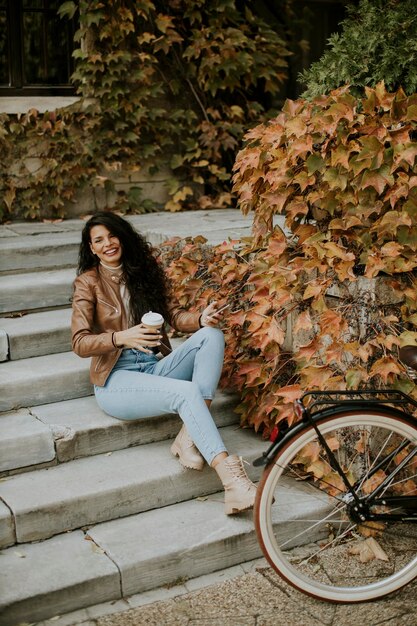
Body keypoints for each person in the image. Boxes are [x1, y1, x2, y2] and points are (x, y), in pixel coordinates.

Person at [71, 211, 257, 515]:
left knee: (211, 335)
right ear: (92, 248)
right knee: (186, 393)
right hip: (117, 380)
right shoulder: (87, 283)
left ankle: (187, 437)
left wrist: (200, 319)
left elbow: (175, 317)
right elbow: (79, 342)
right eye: (99, 240)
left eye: (112, 236)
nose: (108, 244)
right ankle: (232, 482)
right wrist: (121, 337)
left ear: (122, 236)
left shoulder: (144, 271)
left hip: (153, 365)